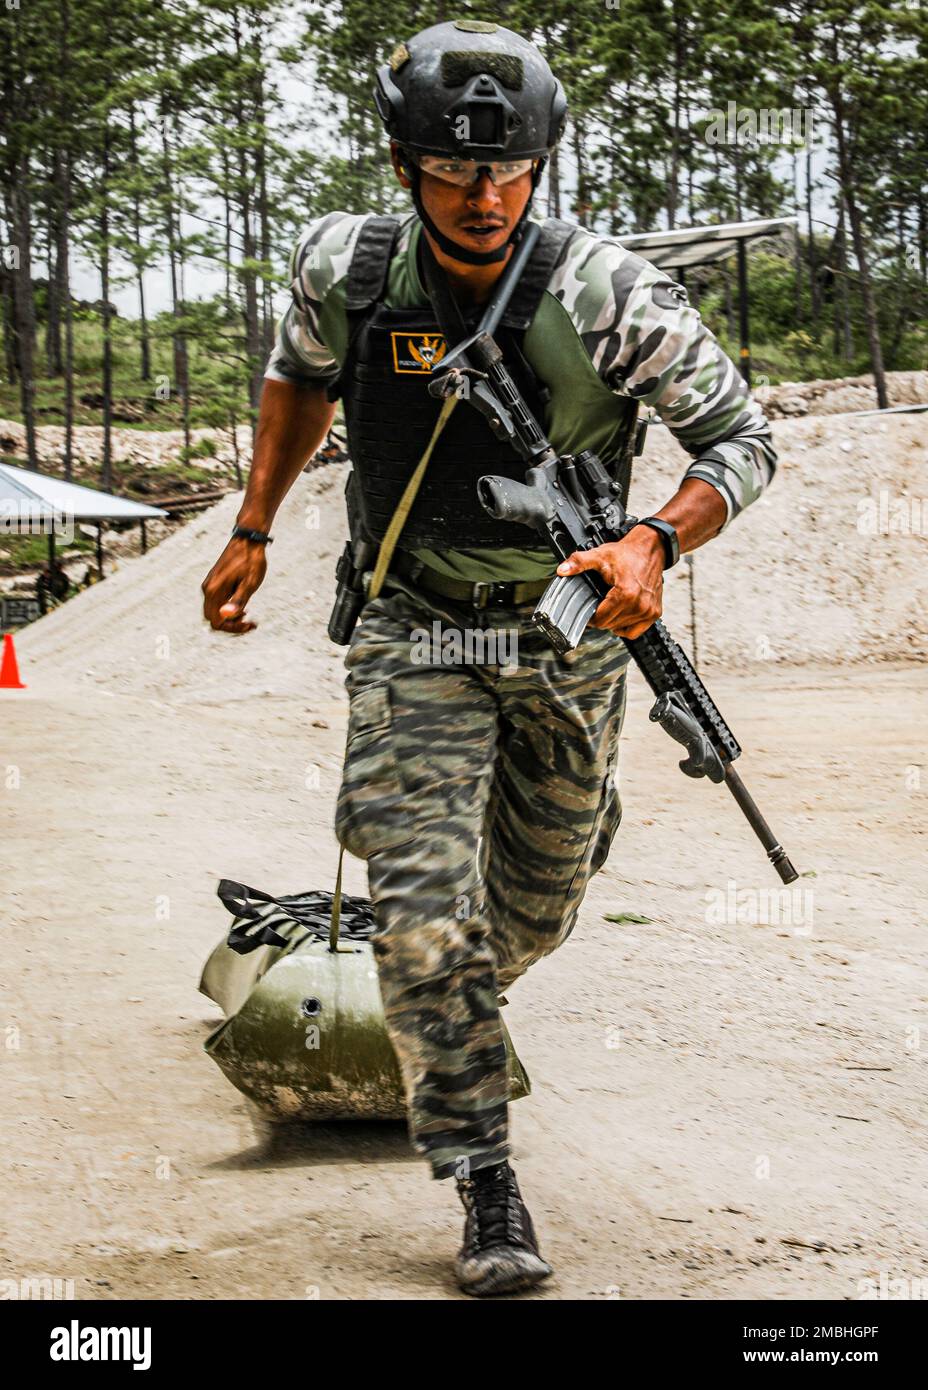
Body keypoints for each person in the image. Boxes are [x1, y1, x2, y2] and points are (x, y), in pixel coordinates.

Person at [202, 19, 777, 1297]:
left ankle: (449, 984)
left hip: (564, 635)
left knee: (529, 906)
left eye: (510, 171)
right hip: (415, 625)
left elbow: (739, 442)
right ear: (404, 165)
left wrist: (649, 543)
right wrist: (254, 523)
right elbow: (299, 381)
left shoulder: (607, 292)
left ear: (541, 167)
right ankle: (484, 1175)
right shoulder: (347, 270)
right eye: (454, 172)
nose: (483, 196)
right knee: (424, 916)